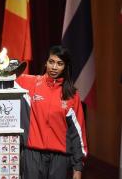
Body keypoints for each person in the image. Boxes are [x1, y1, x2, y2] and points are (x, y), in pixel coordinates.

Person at [16, 45, 88, 179]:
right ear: (46, 62)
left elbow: (77, 132)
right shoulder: (29, 84)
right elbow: (4, 76)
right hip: (32, 154)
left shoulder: (72, 95)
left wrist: (78, 168)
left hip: (59, 159)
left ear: (65, 66)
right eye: (51, 62)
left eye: (59, 63)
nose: (54, 67)